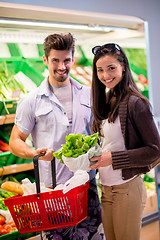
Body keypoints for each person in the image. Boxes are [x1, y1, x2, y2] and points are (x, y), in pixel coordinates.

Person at [9, 33, 104, 239]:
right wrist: (34, 153)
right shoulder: (31, 100)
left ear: (73, 59)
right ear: (45, 60)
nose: (62, 67)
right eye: (55, 60)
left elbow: (100, 132)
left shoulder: (89, 94)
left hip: (86, 187)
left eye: (67, 60)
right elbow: (15, 142)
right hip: (52, 192)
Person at [89, 43, 160, 240]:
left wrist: (112, 158)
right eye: (100, 70)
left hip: (127, 189)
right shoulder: (107, 99)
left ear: (123, 67)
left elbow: (155, 150)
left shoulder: (136, 103)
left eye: (111, 68)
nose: (105, 75)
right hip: (106, 189)